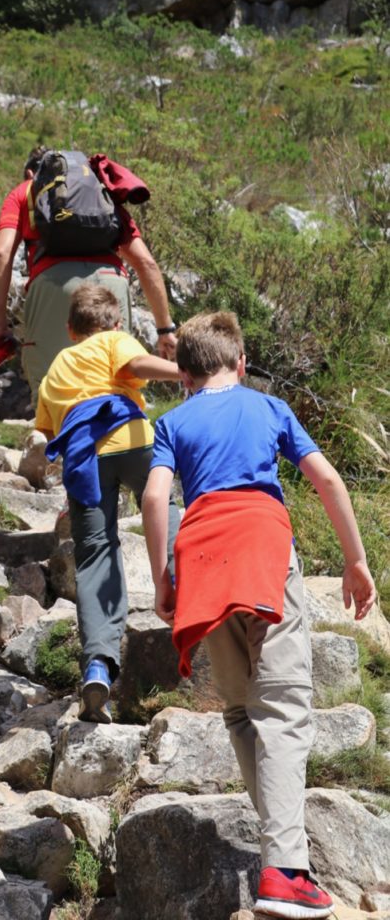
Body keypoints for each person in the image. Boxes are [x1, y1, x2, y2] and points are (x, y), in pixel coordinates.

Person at [141, 311, 376, 919]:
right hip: (261, 547)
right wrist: (355, 560)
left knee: (243, 708)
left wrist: (163, 576)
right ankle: (285, 871)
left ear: (183, 375)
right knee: (287, 705)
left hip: (201, 553)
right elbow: (325, 478)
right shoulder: (269, 408)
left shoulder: (171, 421)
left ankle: (280, 850)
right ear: (240, 364)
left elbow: (153, 495)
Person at [35, 284, 181, 723]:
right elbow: (136, 364)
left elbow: (46, 432)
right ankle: (183, 589)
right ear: (116, 323)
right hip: (133, 441)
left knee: (96, 553)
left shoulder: (57, 365)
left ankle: (98, 663)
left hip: (86, 460)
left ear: (69, 328)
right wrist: (184, 370)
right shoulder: (115, 340)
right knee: (165, 508)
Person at [0, 145, 178, 403]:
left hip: (53, 286)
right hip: (111, 284)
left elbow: (0, 255)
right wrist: (165, 329)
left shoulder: (25, 192)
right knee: (117, 384)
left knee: (54, 394)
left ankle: (60, 441)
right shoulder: (100, 190)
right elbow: (146, 263)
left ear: (33, 173)